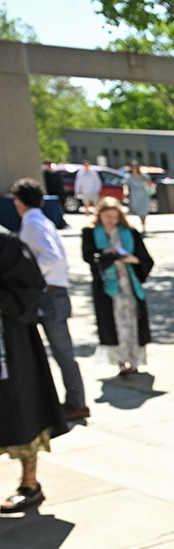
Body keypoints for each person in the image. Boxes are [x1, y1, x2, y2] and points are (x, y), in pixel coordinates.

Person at [0, 224, 68, 513]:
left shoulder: (4, 241)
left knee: (21, 409)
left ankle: (29, 483)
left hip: (9, 343)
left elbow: (29, 288)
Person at [13, 179, 87, 419]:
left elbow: (52, 258)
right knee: (62, 352)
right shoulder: (42, 221)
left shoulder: (33, 224)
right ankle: (73, 402)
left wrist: (32, 277)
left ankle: (76, 403)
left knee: (62, 353)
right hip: (56, 293)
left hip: (50, 296)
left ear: (18, 201)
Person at [82, 197, 154, 377]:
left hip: (130, 284)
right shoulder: (90, 232)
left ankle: (135, 360)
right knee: (114, 324)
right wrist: (105, 254)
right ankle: (121, 362)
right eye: (107, 217)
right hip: (107, 287)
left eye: (114, 217)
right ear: (100, 215)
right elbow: (88, 256)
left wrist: (132, 259)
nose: (111, 221)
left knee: (134, 322)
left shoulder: (129, 231)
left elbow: (144, 258)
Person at [122, 161, 153, 234]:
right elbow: (126, 185)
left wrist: (145, 181)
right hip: (134, 197)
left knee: (143, 212)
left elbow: (151, 184)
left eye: (136, 166)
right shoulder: (128, 177)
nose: (134, 168)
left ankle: (144, 228)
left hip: (144, 196)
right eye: (133, 166)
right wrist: (125, 191)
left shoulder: (143, 176)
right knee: (136, 211)